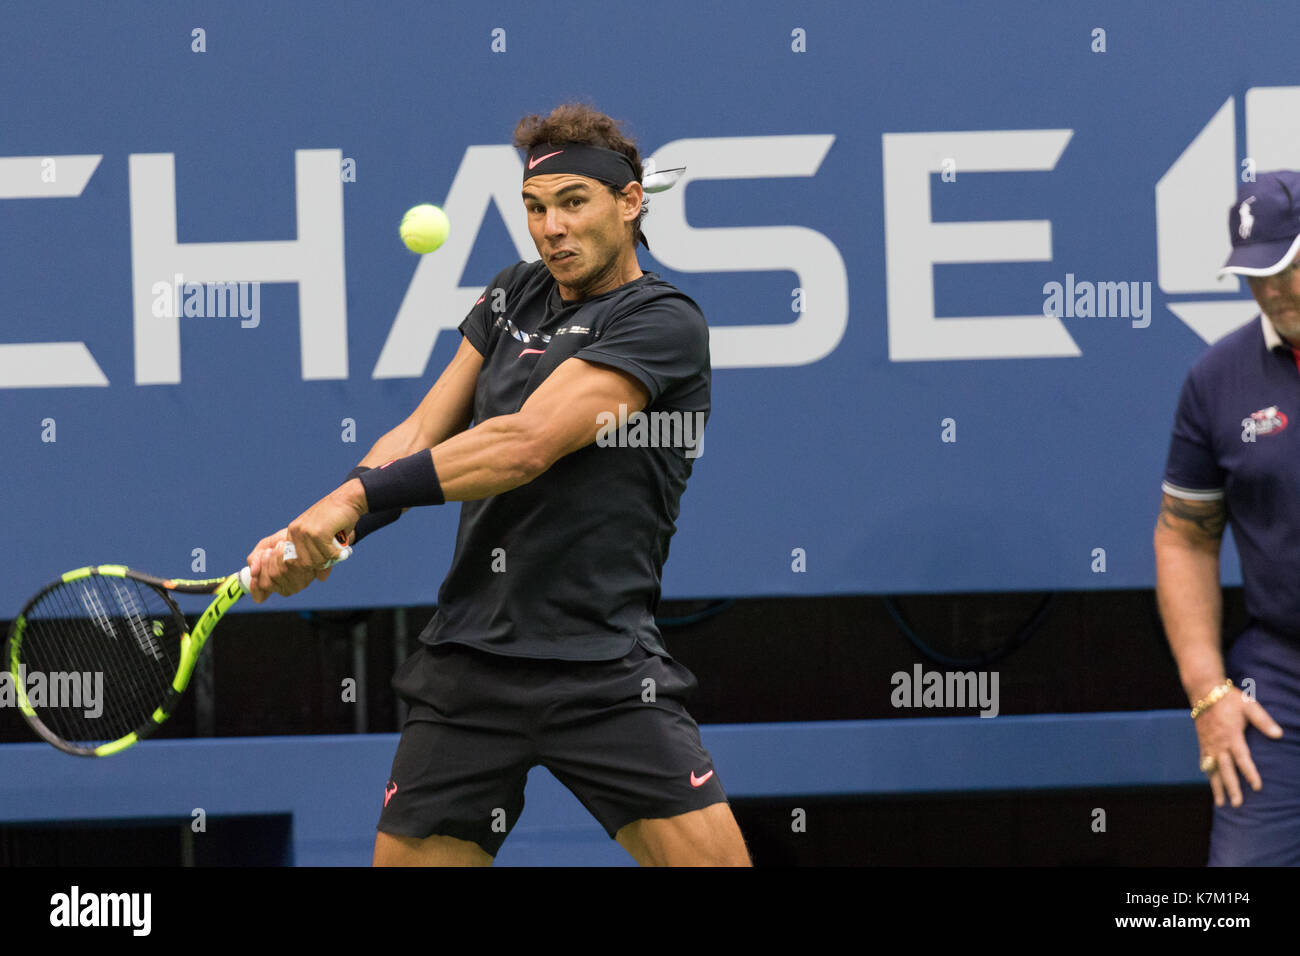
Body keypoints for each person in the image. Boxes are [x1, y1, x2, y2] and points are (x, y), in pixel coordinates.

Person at [243, 102, 750, 866]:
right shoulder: (513, 293)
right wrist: (317, 533)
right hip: (468, 671)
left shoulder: (664, 321)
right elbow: (421, 434)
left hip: (604, 669)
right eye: (535, 208)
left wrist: (352, 501)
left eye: (574, 203)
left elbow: (525, 444)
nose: (551, 228)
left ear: (630, 201)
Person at [1155, 170, 1300, 865]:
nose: (1274, 289)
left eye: (1289, 266)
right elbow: (1184, 538)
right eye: (1257, 274)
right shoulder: (1216, 381)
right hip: (1282, 673)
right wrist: (1208, 692)